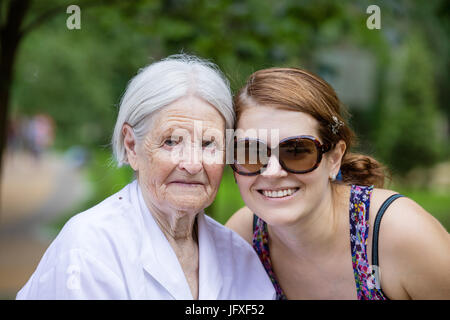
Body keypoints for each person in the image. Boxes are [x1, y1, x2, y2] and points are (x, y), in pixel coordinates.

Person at [16, 54, 275, 300]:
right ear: (131, 147)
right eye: (171, 141)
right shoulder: (89, 247)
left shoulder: (240, 257)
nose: (192, 164)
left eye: (209, 144)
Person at [226, 67, 450, 300]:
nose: (272, 172)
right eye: (251, 153)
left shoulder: (399, 233)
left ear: (334, 159)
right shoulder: (242, 238)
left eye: (297, 151)